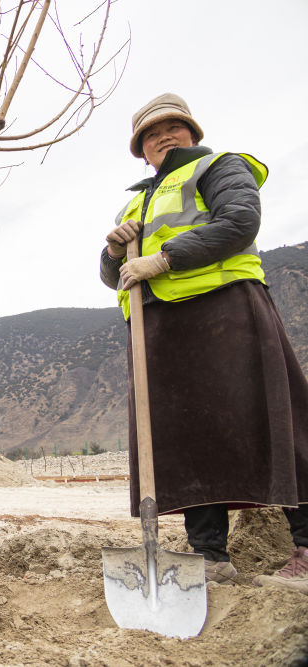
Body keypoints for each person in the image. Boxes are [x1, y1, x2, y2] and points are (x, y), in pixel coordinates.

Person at [100, 93, 308, 593]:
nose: (163, 137)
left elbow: (239, 223)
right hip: (162, 329)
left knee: (270, 421)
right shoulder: (135, 200)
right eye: (152, 133)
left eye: (172, 127)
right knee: (188, 439)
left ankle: (305, 545)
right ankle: (210, 554)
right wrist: (113, 251)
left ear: (191, 132)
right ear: (141, 149)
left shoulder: (221, 166)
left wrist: (165, 258)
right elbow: (114, 277)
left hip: (226, 312)